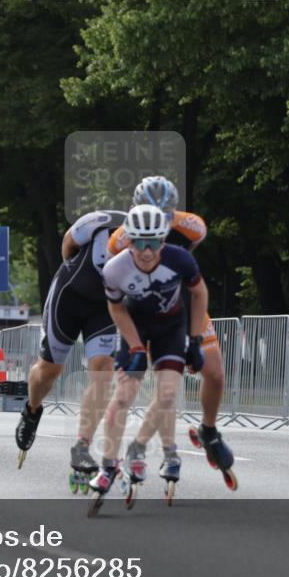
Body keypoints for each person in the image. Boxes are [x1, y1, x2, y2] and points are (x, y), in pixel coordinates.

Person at [107, 176, 235, 485]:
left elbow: (190, 272)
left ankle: (208, 430)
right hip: (145, 312)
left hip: (183, 306)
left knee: (215, 371)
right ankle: (147, 449)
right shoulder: (119, 240)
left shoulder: (193, 227)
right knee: (165, 387)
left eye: (165, 216)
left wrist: (193, 338)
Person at [89, 204, 209, 499]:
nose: (146, 251)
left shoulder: (179, 259)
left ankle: (138, 447)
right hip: (136, 325)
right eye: (139, 242)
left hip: (171, 327)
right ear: (128, 240)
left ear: (163, 240)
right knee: (124, 395)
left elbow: (200, 293)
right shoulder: (115, 268)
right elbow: (116, 307)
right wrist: (135, 346)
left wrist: (195, 340)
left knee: (167, 394)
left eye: (153, 242)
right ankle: (108, 466)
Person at [14, 209, 127, 480]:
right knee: (49, 371)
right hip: (69, 296)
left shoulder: (159, 245)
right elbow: (68, 245)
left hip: (104, 308)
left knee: (103, 370)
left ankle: (82, 447)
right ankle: (31, 410)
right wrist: (77, 272)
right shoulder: (101, 221)